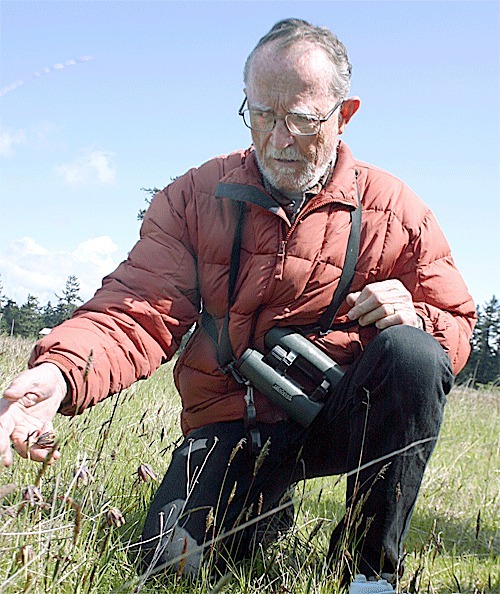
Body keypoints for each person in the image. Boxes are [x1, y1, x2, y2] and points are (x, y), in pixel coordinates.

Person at [0, 18, 475, 590]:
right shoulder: (195, 197)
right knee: (167, 565)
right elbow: (136, 308)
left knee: (413, 354)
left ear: (344, 114)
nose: (279, 139)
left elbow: (456, 323)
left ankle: (369, 572)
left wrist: (417, 317)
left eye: (301, 119)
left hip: (335, 416)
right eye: (262, 115)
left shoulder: (396, 211)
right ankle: (262, 511)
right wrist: (57, 373)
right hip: (230, 423)